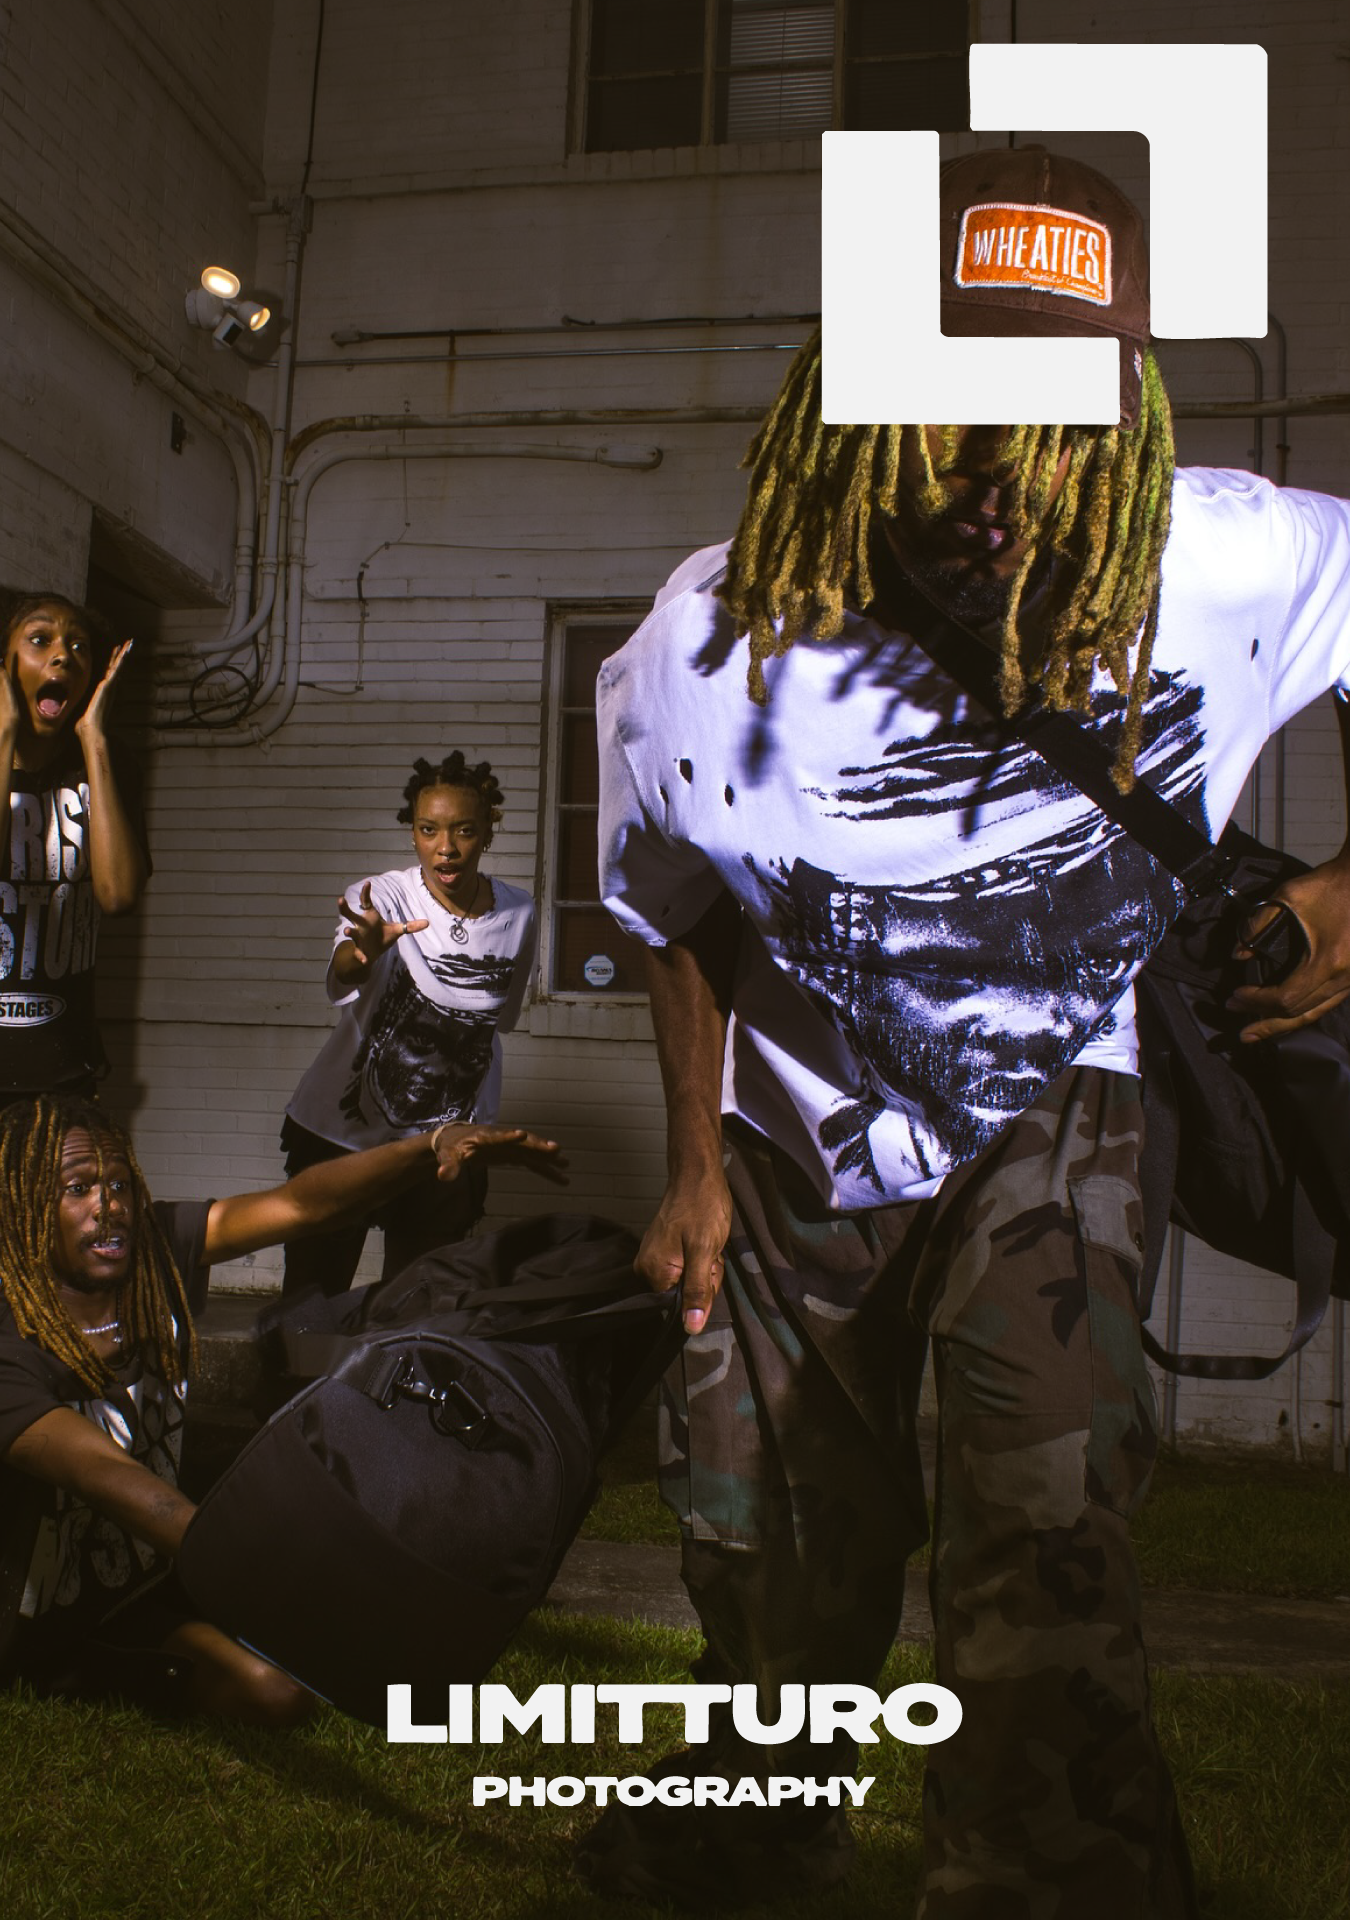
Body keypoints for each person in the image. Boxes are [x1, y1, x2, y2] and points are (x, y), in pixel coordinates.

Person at [591, 146, 1350, 1917]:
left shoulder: (1223, 558)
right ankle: (749, 1847)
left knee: (1041, 1554)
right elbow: (667, 910)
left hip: (1047, 1124)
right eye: (956, 404)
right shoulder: (704, 647)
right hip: (788, 1162)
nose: (1009, 470)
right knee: (776, 1569)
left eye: (1063, 412)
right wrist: (695, 1166)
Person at [0, 1091, 564, 1724]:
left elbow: (303, 1204)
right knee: (273, 1693)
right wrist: (279, 1575)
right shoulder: (8, 1340)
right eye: (76, 1189)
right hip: (46, 1619)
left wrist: (425, 1147)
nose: (109, 1209)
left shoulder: (151, 1252)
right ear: (22, 1209)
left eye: (119, 1185)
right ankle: (79, 1675)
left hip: (150, 1573)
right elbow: (114, 1481)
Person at [281, 751, 537, 1299]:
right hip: (341, 1136)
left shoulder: (519, 912)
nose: (446, 848)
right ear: (414, 833)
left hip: (443, 1145)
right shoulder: (382, 896)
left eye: (464, 830)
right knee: (310, 1303)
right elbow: (344, 967)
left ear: (487, 832)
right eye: (429, 830)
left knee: (417, 1310)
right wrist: (364, 952)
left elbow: (496, 1024)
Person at [1, 592, 149, 1102]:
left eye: (79, 647)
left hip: (64, 1072)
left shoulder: (106, 766)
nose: (63, 655)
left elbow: (118, 895)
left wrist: (93, 737)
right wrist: (4, 735)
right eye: (40, 640)